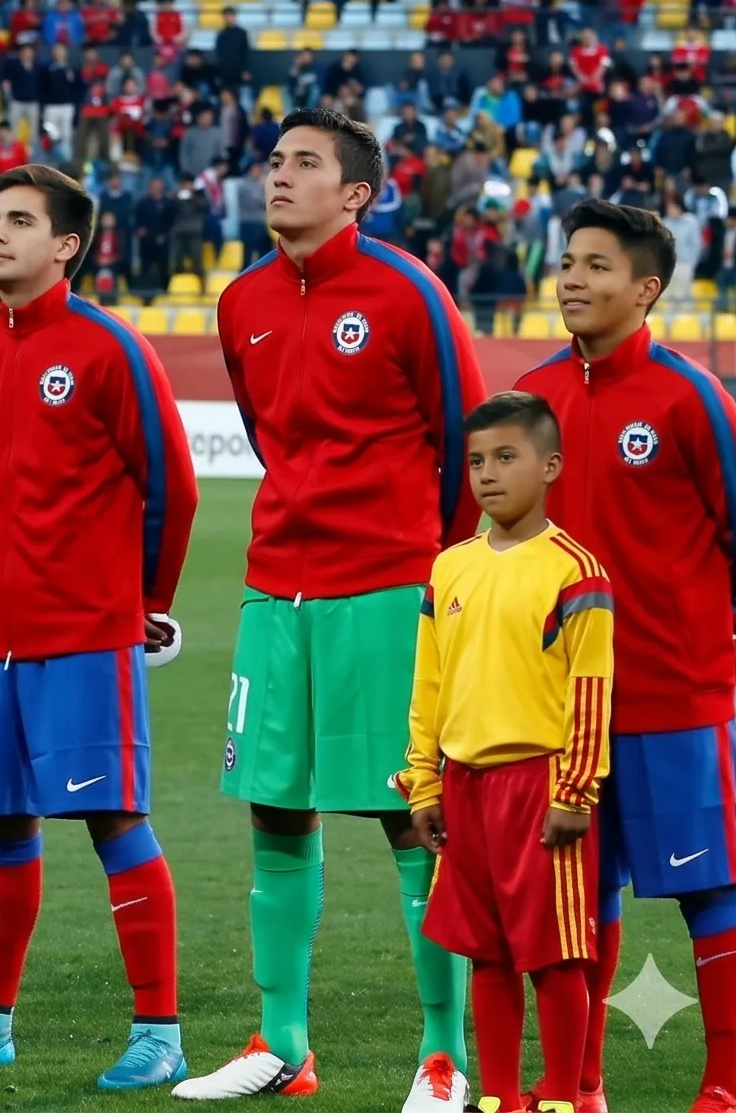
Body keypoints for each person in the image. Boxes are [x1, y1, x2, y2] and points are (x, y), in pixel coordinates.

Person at [181, 108, 486, 1108]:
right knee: (274, 803)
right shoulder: (243, 303)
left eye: (304, 164)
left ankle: (442, 1058)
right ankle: (281, 1045)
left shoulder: (407, 292)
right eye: (272, 161)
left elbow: (465, 442)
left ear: (355, 193)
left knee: (411, 813)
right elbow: (271, 439)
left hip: (390, 588)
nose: (278, 176)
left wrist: (435, 572)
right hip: (278, 587)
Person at [0, 164, 197, 1088]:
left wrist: (138, 604)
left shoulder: (110, 349)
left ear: (65, 245)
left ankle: (160, 1031)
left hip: (86, 632)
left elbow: (171, 488)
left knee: (113, 818)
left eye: (20, 221)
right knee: (0, 824)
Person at [516, 198, 736, 1113]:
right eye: (567, 261)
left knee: (709, 888)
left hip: (671, 694)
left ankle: (725, 1089)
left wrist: (713, 622)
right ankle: (577, 1085)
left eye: (596, 265)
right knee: (576, 899)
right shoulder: (529, 398)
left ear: (646, 288)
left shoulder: (686, 394)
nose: (572, 278)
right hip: (555, 705)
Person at [401, 392, 613, 1113]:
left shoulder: (574, 570)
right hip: (464, 785)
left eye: (506, 457)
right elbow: (428, 684)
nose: (487, 474)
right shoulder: (449, 567)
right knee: (486, 951)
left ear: (549, 466)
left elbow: (591, 687)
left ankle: (560, 1095)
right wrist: (424, 785)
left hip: (541, 782)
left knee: (553, 953)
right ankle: (499, 1097)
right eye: (476, 461)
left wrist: (575, 792)